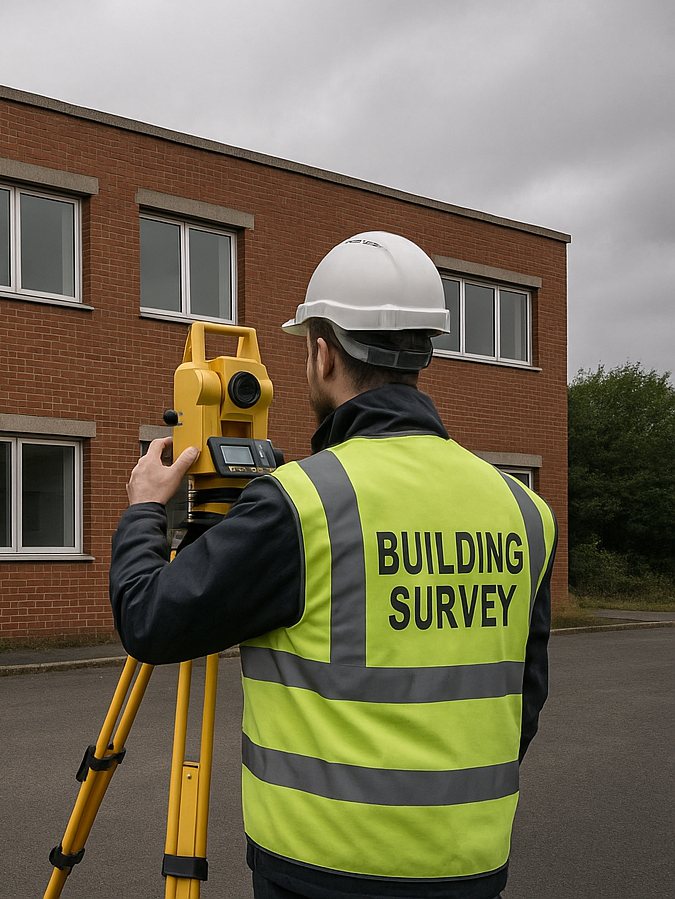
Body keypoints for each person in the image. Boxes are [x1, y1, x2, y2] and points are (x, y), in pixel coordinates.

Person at [111, 231, 555, 899]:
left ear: (323, 355)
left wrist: (145, 509)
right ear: (421, 353)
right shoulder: (523, 509)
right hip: (470, 862)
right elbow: (524, 697)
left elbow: (150, 619)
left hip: (322, 868)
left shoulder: (303, 503)